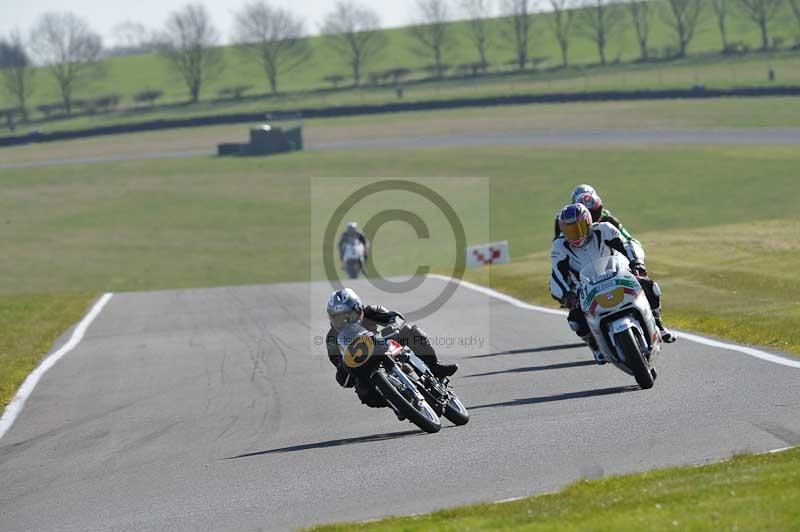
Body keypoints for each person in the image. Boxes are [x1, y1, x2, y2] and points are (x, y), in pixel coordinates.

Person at [550, 204, 676, 365]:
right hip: (587, 289)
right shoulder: (559, 247)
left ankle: (659, 325)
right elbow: (557, 275)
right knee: (575, 319)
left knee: (650, 286)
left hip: (618, 275)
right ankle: (595, 347)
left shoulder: (604, 229)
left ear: (588, 222)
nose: (574, 235)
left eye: (578, 228)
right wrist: (567, 294)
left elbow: (626, 244)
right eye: (569, 231)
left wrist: (636, 262)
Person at [325, 288, 458, 408]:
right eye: (339, 318)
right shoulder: (332, 339)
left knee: (410, 331)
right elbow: (340, 369)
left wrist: (395, 323)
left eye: (349, 315)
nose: (345, 321)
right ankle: (397, 403)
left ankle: (435, 367)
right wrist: (343, 365)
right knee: (365, 394)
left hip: (381, 344)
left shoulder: (370, 311)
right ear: (331, 318)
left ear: (359, 309)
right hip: (362, 365)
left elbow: (396, 318)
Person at [553, 185, 644, 259]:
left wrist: (634, 254)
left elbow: (630, 240)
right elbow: (557, 247)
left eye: (593, 213)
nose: (590, 219)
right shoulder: (563, 219)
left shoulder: (608, 220)